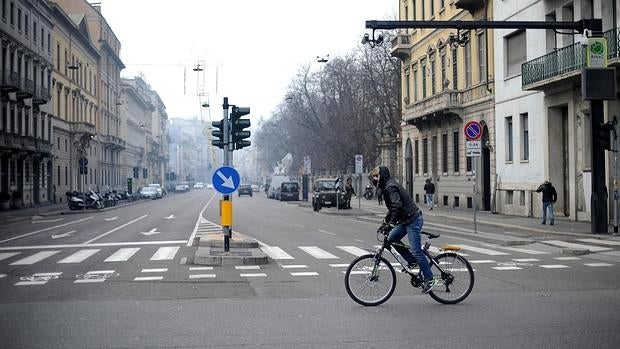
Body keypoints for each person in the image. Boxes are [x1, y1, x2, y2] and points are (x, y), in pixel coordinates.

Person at [371, 166, 435, 293]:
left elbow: (397, 206)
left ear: (382, 176)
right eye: (373, 177)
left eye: (376, 176)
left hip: (413, 220)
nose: (374, 179)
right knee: (391, 239)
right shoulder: (387, 187)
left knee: (416, 251)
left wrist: (391, 224)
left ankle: (430, 279)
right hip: (406, 220)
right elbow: (392, 209)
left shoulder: (390, 187)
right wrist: (385, 222)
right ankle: (412, 262)